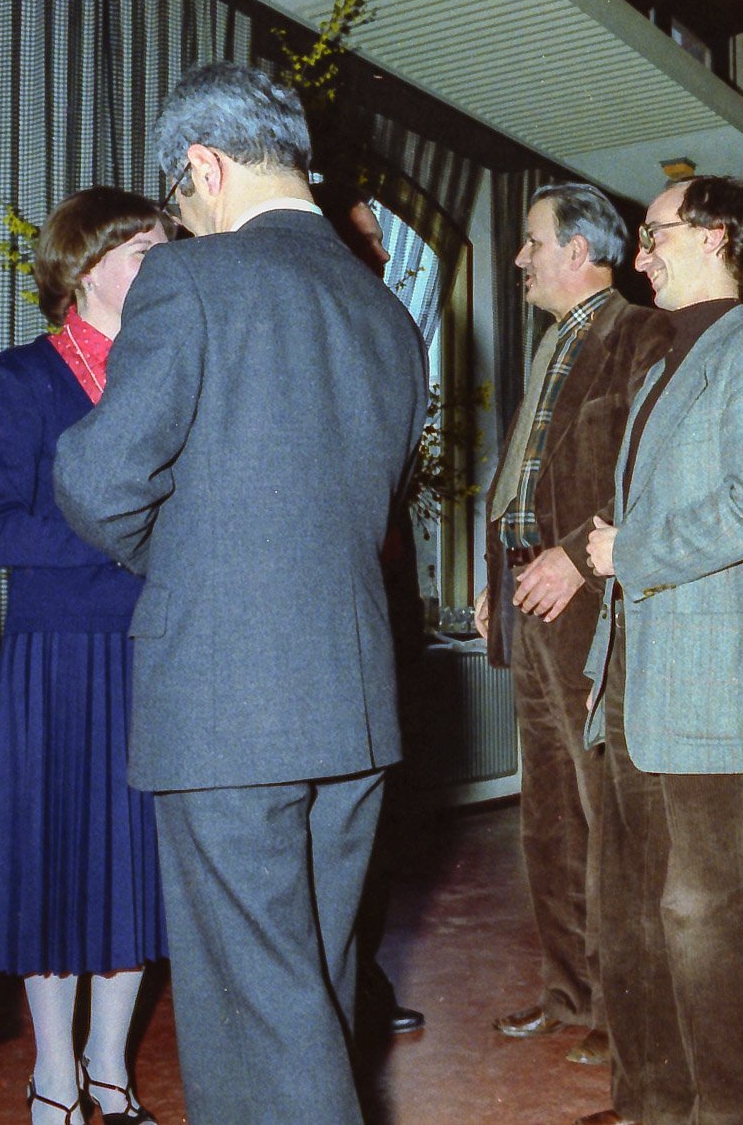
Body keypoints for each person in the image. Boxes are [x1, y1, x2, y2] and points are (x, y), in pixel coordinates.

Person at [52, 63, 427, 1123]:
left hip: (228, 697)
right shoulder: (386, 312)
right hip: (351, 700)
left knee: (256, 1014)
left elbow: (99, 478)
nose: (180, 223)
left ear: (203, 166)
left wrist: (186, 565)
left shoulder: (192, 278)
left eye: (178, 202)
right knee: (313, 984)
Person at [577, 175, 743, 1125]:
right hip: (636, 673)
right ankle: (654, 1102)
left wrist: (631, 551)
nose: (640, 255)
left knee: (718, 911)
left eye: (654, 233)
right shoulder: (667, 362)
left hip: (710, 680)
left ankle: (741, 1113)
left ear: (715, 236)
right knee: (633, 904)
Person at [0, 187, 169, 1124]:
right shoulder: (15, 380)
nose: (162, 269)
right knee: (54, 866)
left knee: (135, 865)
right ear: (85, 268)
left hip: (157, 649)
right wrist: (128, 541)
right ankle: (54, 1080)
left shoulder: (170, 373)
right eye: (143, 254)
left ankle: (110, 1072)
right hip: (57, 660)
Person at [472, 183, 670, 1067]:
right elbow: (524, 477)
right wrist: (496, 578)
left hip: (590, 605)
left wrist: (576, 560)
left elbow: (648, 479)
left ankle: (627, 1015)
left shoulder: (641, 335)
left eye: (532, 242)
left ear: (581, 250)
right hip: (530, 601)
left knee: (610, 817)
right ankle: (570, 994)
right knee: (549, 816)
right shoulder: (554, 342)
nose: (520, 258)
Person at [337, 185, 424, 1040]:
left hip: (385, 594)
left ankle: (359, 976)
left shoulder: (386, 330)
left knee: (378, 809)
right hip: (330, 599)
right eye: (367, 237)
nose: (386, 253)